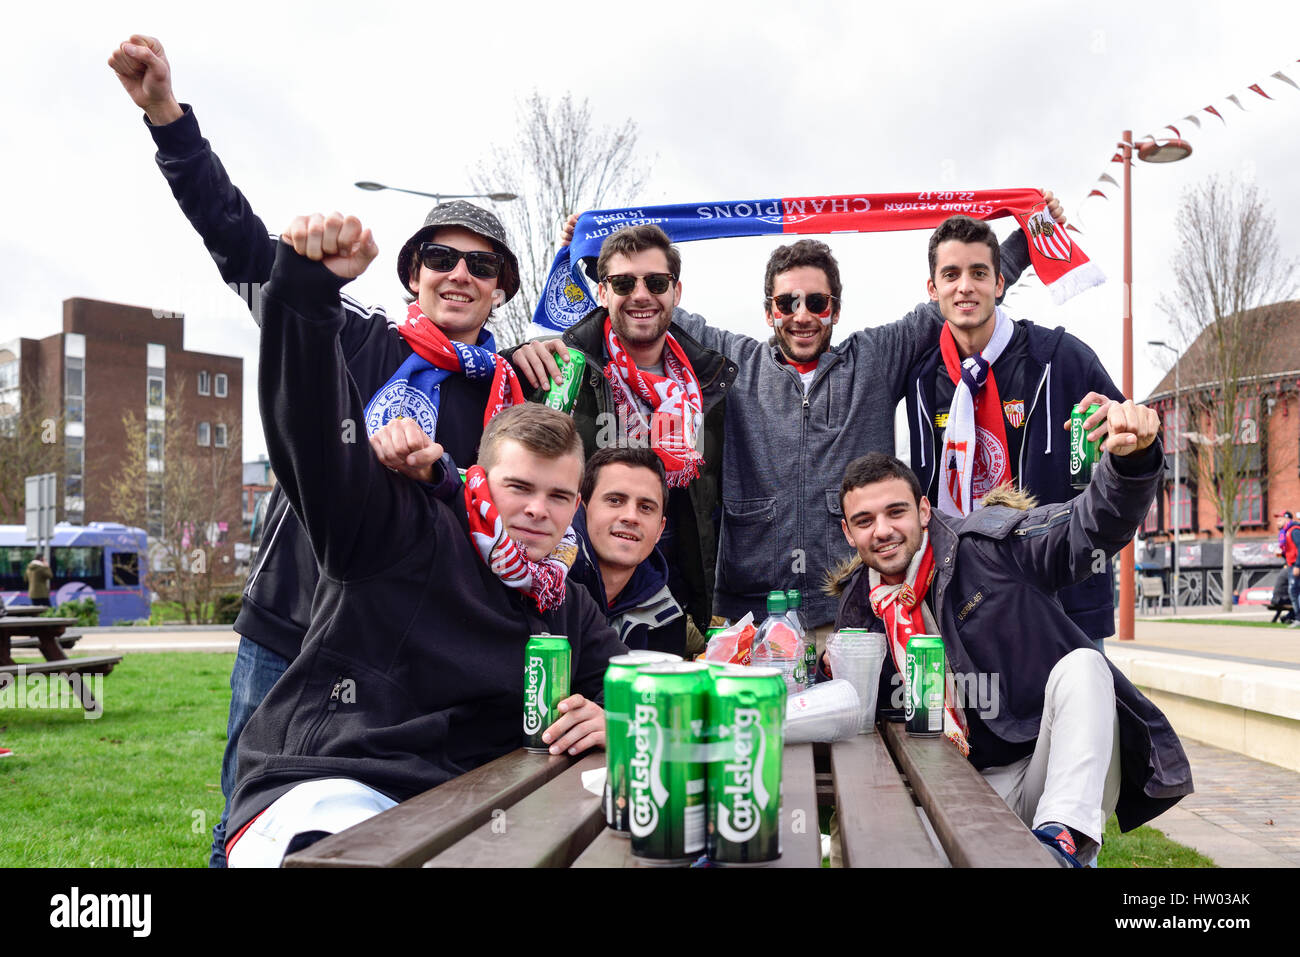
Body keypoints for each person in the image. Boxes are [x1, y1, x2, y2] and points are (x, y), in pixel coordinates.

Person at [108, 34, 528, 866]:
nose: (458, 274)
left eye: (481, 265)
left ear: (502, 288)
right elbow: (239, 243)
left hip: (401, 651)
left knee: (394, 834)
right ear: (412, 272)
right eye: (439, 257)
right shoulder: (347, 338)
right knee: (253, 824)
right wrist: (167, 117)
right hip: (293, 625)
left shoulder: (512, 397)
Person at [225, 215, 627, 867]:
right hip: (330, 792)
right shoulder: (406, 529)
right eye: (517, 487)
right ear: (478, 478)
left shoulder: (562, 604)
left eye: (557, 496)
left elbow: (635, 684)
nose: (535, 511)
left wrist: (619, 719)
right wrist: (306, 292)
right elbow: (315, 438)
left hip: (457, 809)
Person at [520, 202, 1059, 639]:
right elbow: (642, 296)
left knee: (849, 758)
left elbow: (952, 294)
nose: (802, 314)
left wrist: (1030, 236)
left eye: (817, 302)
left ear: (836, 309)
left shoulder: (875, 358)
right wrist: (590, 243)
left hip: (852, 606)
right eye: (787, 302)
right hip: (746, 614)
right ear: (769, 310)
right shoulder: (733, 362)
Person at [825, 400, 1192, 867]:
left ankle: (1060, 845)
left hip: (1033, 773)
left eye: (895, 512)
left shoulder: (988, 548)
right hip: (937, 791)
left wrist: (1133, 461)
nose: (882, 531)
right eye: (864, 521)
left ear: (922, 510)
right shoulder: (858, 609)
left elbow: (1083, 528)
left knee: (1085, 665)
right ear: (848, 532)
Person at [903, 214, 1120, 646]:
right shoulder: (920, 381)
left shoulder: (1061, 358)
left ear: (999, 283)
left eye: (979, 273)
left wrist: (1122, 431)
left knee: (1078, 712)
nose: (965, 286)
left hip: (1061, 600)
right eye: (951, 274)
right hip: (965, 597)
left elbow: (1141, 445)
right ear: (933, 290)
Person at [507, 225, 735, 632]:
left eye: (657, 282)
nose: (641, 294)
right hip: (573, 595)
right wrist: (515, 354)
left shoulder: (708, 385)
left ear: (675, 294)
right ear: (602, 293)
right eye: (623, 282)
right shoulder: (560, 368)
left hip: (673, 599)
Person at [574, 446, 707, 657]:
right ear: (581, 508)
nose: (630, 516)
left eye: (645, 507)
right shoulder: (546, 584)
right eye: (615, 500)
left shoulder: (666, 616)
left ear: (660, 530)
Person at [1277, 511, 1300, 627]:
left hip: (1296, 565)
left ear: (1287, 520)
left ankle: (1298, 619)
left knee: (1294, 592)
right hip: (1292, 564)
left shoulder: (1293, 530)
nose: (1277, 521)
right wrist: (1283, 555)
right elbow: (1291, 551)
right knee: (1295, 592)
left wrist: (1298, 565)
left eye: (1280, 519)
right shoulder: (1284, 533)